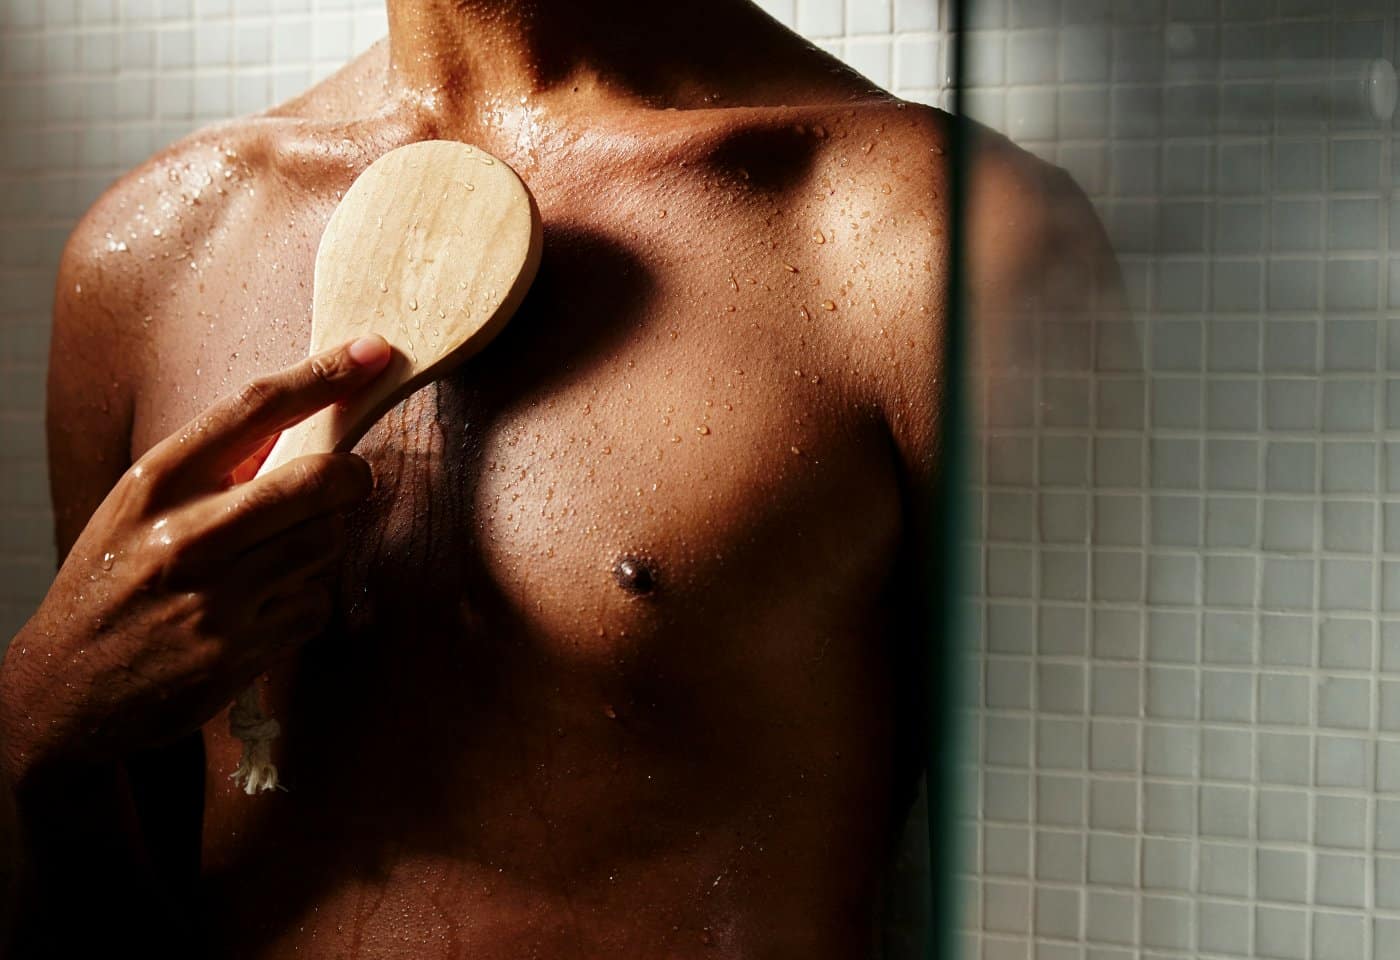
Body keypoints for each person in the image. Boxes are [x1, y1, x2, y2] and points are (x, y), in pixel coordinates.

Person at [0, 0, 1122, 955]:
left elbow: (1082, 876)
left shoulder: (934, 237)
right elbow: (103, 890)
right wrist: (32, 728)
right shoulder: (152, 248)